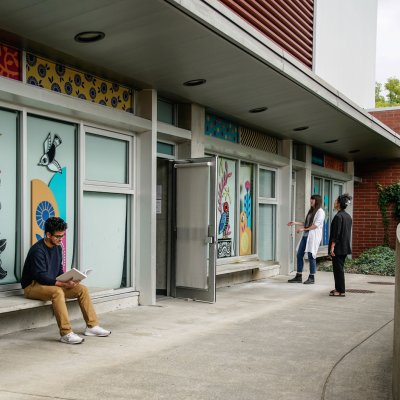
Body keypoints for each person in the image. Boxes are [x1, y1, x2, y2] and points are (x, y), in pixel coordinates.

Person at [21, 217, 111, 344]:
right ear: (48, 234)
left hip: (51, 284)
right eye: (58, 236)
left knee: (82, 289)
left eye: (62, 236)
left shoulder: (58, 247)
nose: (60, 239)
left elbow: (58, 271)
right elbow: (40, 276)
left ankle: (92, 326)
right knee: (57, 292)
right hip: (32, 287)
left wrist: (71, 279)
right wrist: (63, 284)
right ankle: (66, 333)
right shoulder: (37, 250)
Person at [287, 194, 325, 284]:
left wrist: (303, 229)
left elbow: (315, 226)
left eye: (313, 199)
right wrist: (295, 222)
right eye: (310, 199)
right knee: (299, 254)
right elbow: (307, 223)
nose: (311, 201)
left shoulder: (320, 212)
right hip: (305, 236)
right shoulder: (311, 211)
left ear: (317, 201)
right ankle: (298, 276)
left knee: (311, 256)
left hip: (313, 237)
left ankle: (312, 277)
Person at [328, 194, 353, 297]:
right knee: (339, 268)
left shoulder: (338, 216)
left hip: (338, 247)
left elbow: (336, 233)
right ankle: (338, 288)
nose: (334, 203)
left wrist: (332, 246)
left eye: (335, 201)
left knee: (338, 269)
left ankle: (340, 291)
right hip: (344, 246)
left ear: (338, 204)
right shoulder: (348, 216)